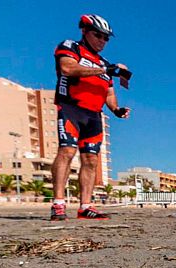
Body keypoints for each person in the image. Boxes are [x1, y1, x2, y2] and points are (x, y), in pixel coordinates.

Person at [50, 14, 130, 221]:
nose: (102, 41)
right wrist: (105, 69)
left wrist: (116, 110)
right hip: (71, 108)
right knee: (67, 151)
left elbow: (109, 93)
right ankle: (59, 203)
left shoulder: (104, 63)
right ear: (85, 31)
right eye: (98, 36)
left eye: (106, 38)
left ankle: (85, 206)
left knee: (91, 160)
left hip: (94, 115)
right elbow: (67, 68)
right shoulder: (71, 47)